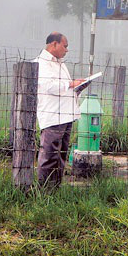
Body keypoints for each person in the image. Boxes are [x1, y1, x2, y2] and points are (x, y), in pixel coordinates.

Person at [34, 32, 85, 188]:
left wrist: (77, 86)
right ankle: (44, 190)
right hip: (52, 116)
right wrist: (71, 84)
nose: (67, 50)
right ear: (53, 44)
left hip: (66, 115)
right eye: (65, 45)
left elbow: (64, 87)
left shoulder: (60, 64)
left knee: (61, 154)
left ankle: (55, 187)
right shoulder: (41, 63)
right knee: (49, 155)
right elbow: (49, 86)